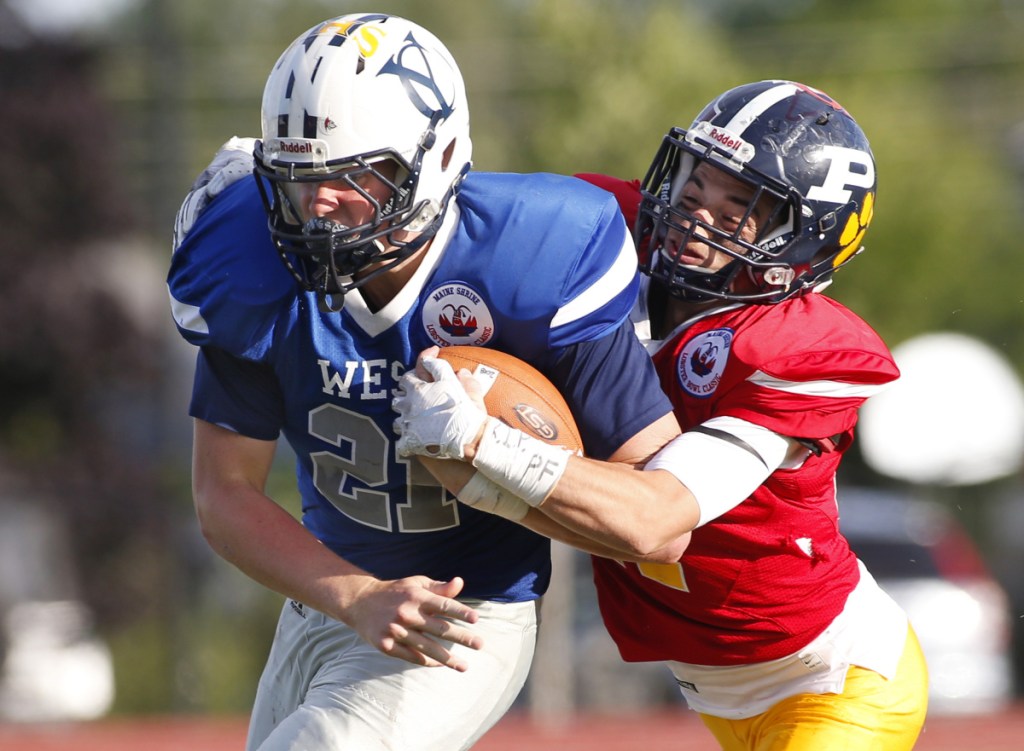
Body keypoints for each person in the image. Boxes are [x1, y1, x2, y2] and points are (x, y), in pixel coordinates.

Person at [166, 12, 685, 751]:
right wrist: (356, 595)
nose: (318, 204)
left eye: (352, 175)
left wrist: (487, 446)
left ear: (436, 156)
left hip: (463, 619)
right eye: (300, 176)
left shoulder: (534, 257)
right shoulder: (249, 261)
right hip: (324, 596)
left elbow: (656, 523)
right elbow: (223, 493)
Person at [393, 80, 929, 750]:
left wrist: (480, 442)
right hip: (712, 689)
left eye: (738, 210)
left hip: (833, 680)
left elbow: (650, 519)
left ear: (803, 242)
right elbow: (449, 208)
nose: (696, 216)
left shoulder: (792, 349)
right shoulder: (600, 237)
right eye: (695, 187)